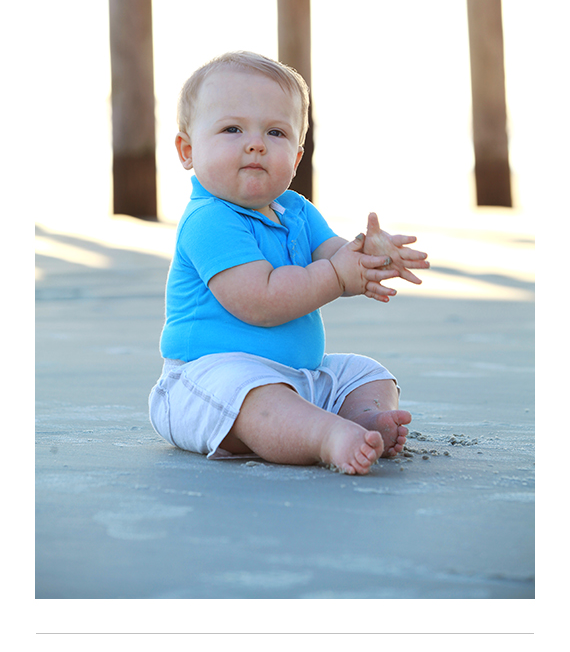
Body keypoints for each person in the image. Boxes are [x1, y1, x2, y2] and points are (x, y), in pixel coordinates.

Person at [149, 51, 429, 475]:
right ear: (187, 150)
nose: (256, 143)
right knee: (256, 396)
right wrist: (337, 277)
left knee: (365, 372)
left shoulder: (295, 210)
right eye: (232, 129)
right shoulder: (209, 220)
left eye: (276, 132)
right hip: (207, 384)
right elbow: (260, 300)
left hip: (296, 377)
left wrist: (365, 256)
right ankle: (324, 437)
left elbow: (334, 253)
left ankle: (361, 418)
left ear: (296, 158)